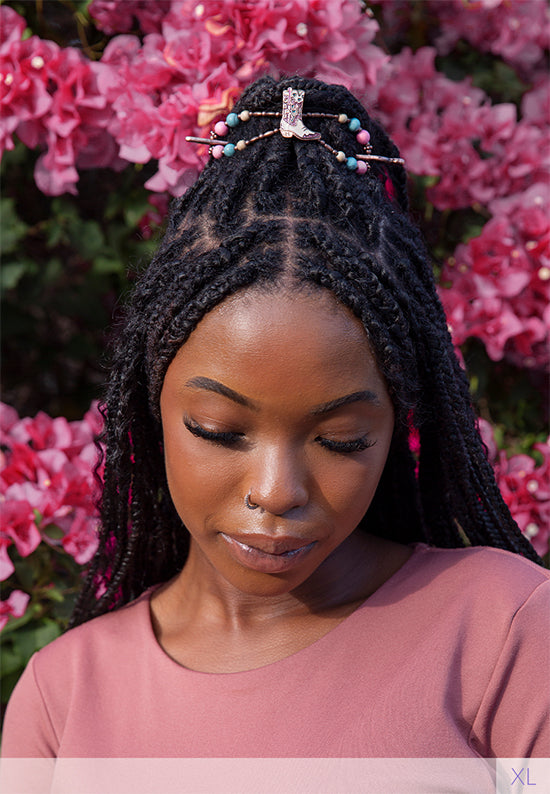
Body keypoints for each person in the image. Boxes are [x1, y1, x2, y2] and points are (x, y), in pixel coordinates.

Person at [2, 76, 549, 776]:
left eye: (342, 440)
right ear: (151, 407)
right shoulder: (63, 696)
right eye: (220, 430)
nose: (276, 491)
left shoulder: (505, 633)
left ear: (398, 422)